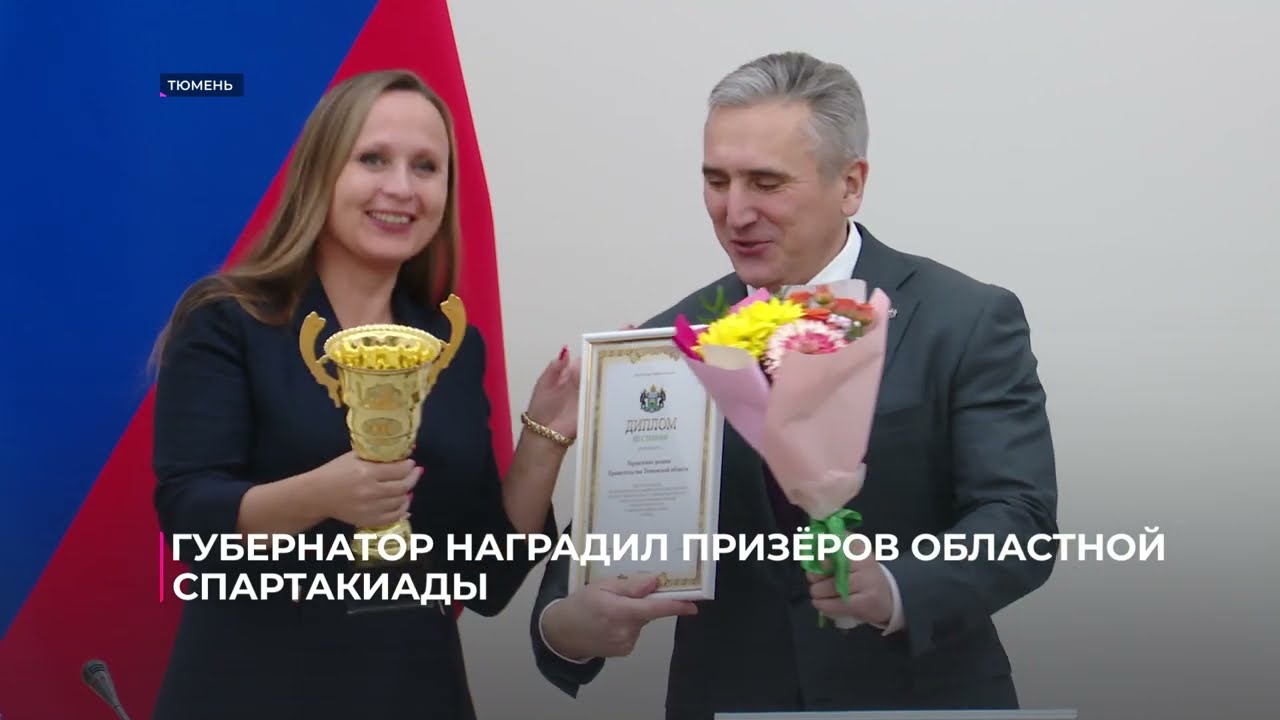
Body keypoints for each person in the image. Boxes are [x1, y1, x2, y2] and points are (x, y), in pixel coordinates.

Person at [530, 51, 1058, 719]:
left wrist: (896, 586)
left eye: (766, 182)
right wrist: (565, 628)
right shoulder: (669, 343)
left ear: (851, 184)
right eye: (716, 181)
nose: (735, 212)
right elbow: (593, 556)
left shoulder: (965, 318)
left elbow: (1020, 522)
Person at [149, 69, 578, 720]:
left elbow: (485, 579)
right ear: (321, 173)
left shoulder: (452, 345)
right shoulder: (227, 321)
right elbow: (189, 518)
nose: (401, 187)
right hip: (255, 689)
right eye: (373, 159)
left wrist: (546, 437)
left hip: (414, 691)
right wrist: (323, 494)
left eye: (426, 166)